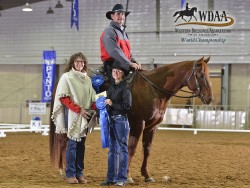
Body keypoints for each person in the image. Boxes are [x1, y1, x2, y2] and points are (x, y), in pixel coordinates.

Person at [51, 52, 96, 184]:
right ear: (72, 63)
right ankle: (70, 174)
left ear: (84, 64)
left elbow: (92, 97)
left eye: (82, 62)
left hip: (85, 116)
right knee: (72, 145)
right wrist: (78, 110)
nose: (79, 64)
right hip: (72, 115)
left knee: (81, 146)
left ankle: (79, 173)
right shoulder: (67, 77)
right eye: (77, 61)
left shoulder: (87, 79)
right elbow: (64, 97)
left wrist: (98, 105)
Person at [100, 60, 132, 186]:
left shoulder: (126, 88)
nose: (115, 72)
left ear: (122, 73)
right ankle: (111, 178)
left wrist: (113, 104)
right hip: (111, 120)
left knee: (122, 149)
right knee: (112, 150)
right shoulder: (111, 87)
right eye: (114, 70)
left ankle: (121, 178)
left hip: (121, 120)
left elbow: (127, 106)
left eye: (118, 71)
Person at [100, 3, 141, 83]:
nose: (121, 16)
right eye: (118, 14)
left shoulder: (123, 33)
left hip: (123, 64)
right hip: (112, 65)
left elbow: (127, 52)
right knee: (118, 87)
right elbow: (114, 51)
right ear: (112, 16)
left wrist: (133, 61)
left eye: (123, 14)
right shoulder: (109, 31)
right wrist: (129, 63)